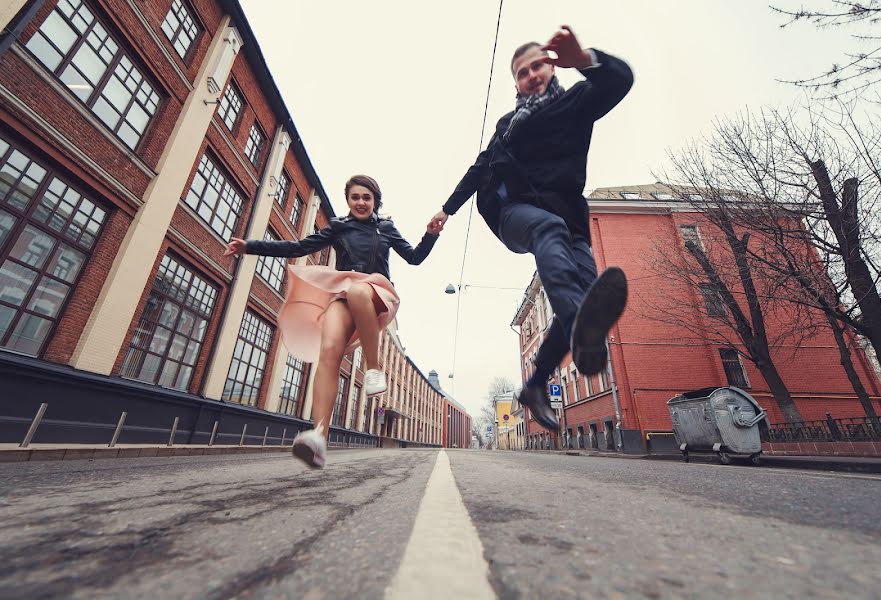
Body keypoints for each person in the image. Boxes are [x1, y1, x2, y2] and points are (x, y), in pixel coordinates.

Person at [430, 26, 633, 432]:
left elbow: (620, 81)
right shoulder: (509, 125)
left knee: (584, 288)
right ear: (516, 83)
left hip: (570, 217)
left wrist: (584, 59)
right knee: (549, 232)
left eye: (537, 65)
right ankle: (580, 328)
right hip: (514, 212)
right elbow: (479, 168)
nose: (532, 75)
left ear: (551, 67)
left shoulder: (576, 103)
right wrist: (446, 210)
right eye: (522, 73)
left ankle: (536, 383)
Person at [225, 175, 442, 468]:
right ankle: (318, 437)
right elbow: (298, 247)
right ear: (348, 201)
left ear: (376, 201)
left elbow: (414, 258)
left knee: (357, 291)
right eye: (355, 197)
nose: (361, 202)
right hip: (344, 294)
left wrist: (430, 235)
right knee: (329, 350)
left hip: (377, 291)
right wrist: (249, 246)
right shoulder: (339, 227)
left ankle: (374, 368)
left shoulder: (386, 228)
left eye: (366, 197)